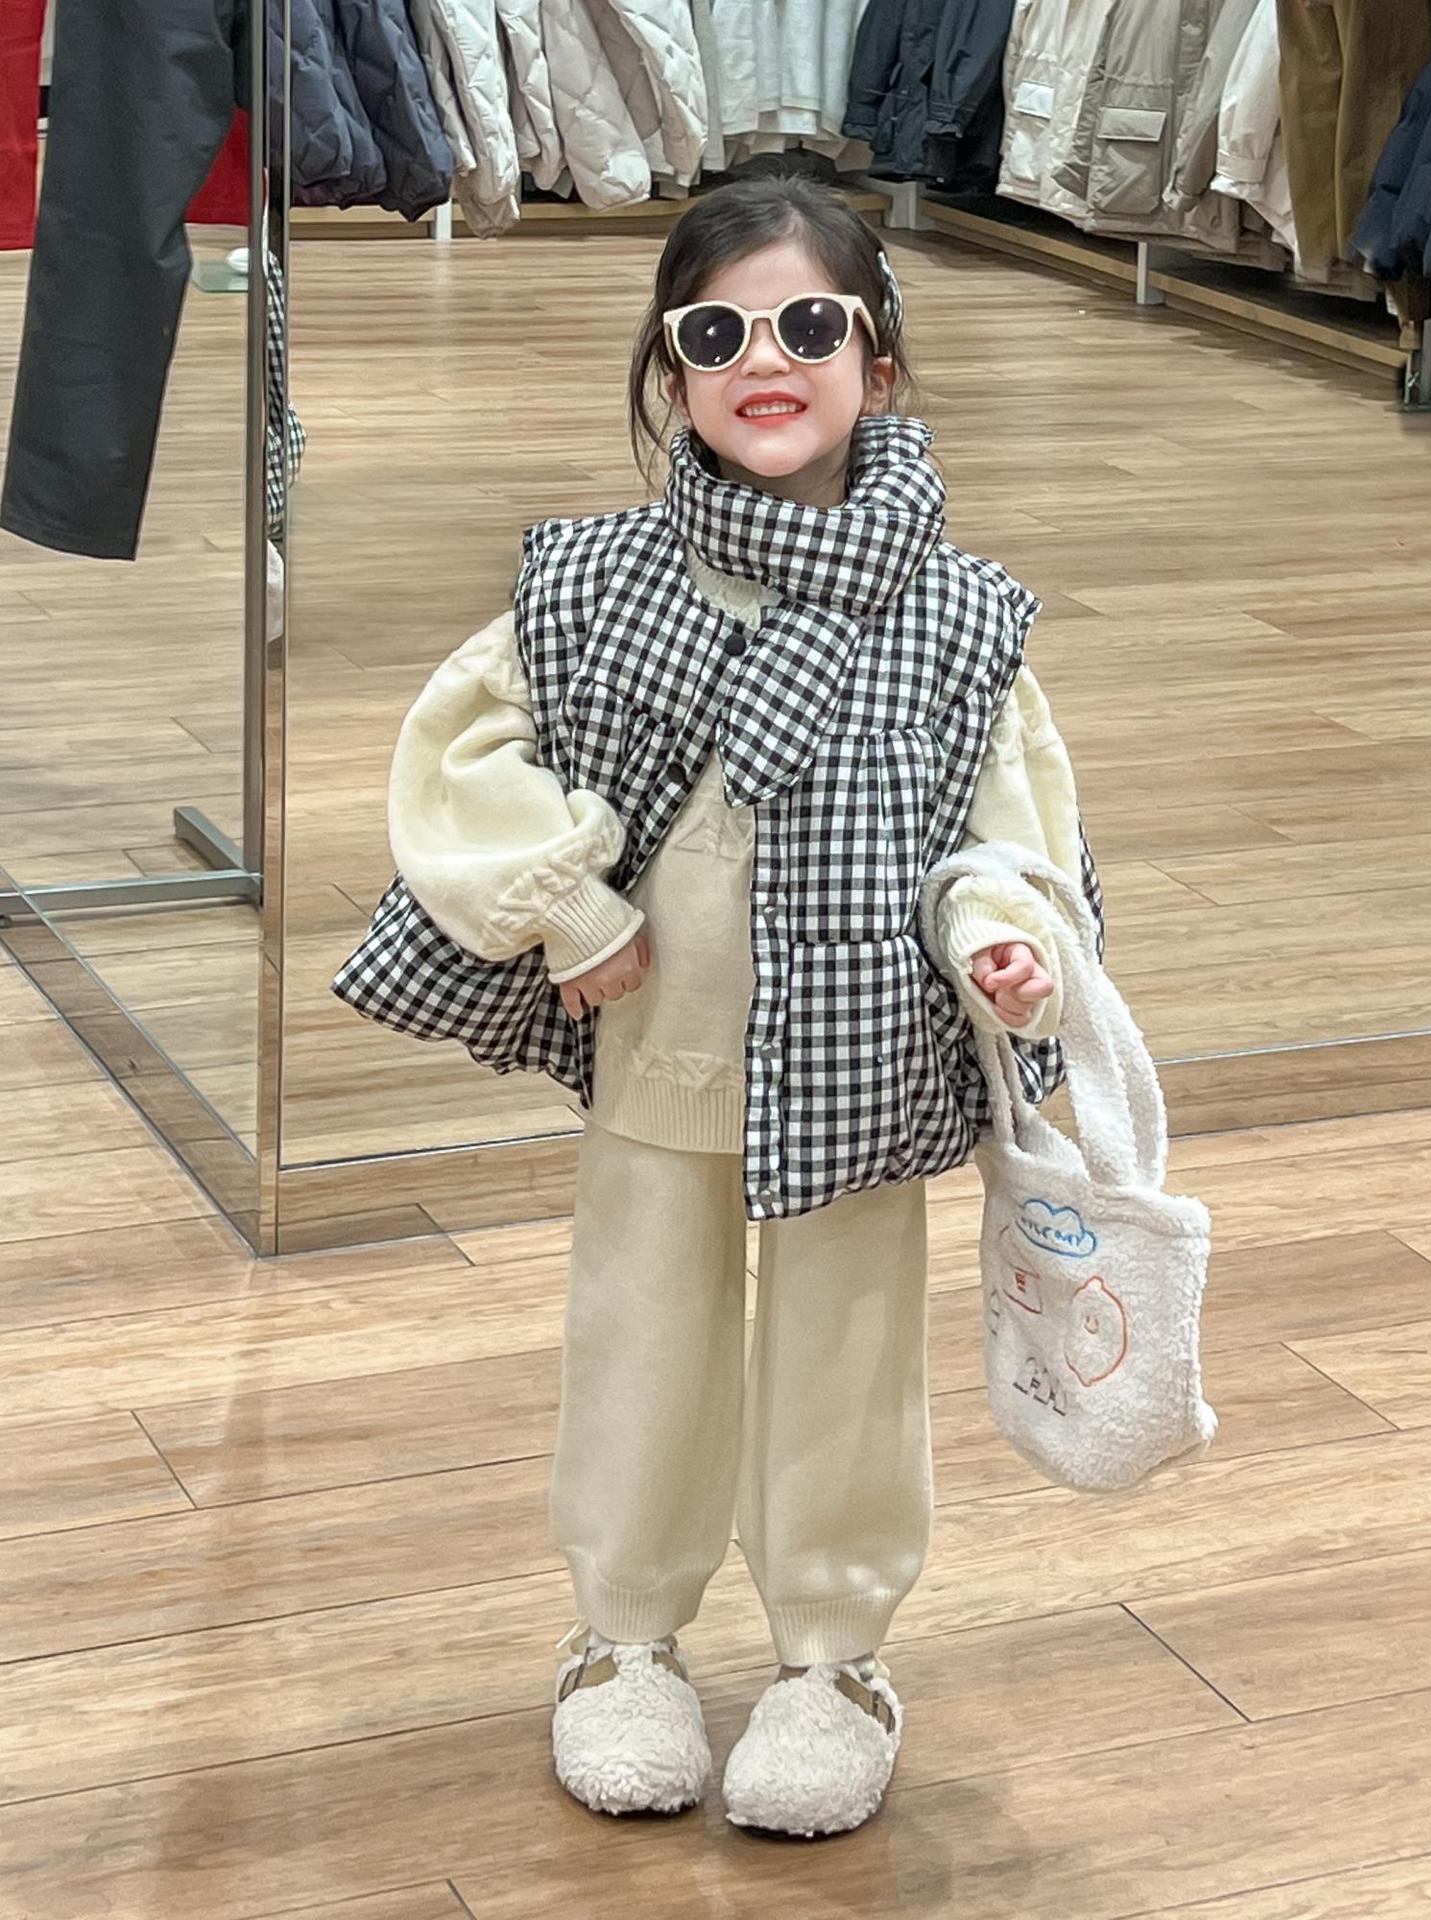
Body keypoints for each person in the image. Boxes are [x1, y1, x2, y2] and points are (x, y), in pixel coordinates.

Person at [375, 175, 1102, 1838]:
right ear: (671, 369)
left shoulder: (962, 615)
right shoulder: (594, 581)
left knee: (849, 1348)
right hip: (660, 1043)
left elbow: (1007, 826)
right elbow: (457, 757)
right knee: (642, 1330)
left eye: (806, 325)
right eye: (716, 334)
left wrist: (1003, 938)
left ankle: (835, 1656)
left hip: (864, 1052)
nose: (762, 360)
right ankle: (623, 1633)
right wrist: (565, 903)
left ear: (879, 361)